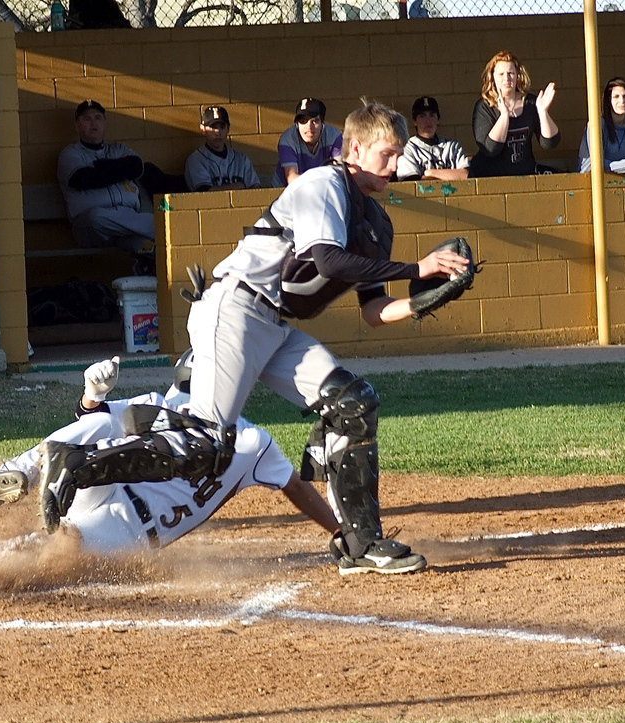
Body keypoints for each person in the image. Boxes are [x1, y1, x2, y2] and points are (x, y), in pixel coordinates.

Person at [34, 102, 471, 575]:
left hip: (273, 324)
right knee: (209, 446)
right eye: (387, 154)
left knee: (353, 402)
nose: (395, 165)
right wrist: (417, 268)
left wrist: (420, 302)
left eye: (400, 154)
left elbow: (372, 311)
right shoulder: (323, 184)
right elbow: (327, 260)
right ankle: (75, 463)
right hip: (236, 306)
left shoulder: (375, 222)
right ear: (355, 149)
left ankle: (360, 544)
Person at [0, 354, 339, 563]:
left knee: (41, 553)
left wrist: (92, 402)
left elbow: (293, 484)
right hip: (114, 502)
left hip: (122, 526)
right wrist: (92, 395)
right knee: (108, 421)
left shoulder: (251, 442)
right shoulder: (174, 410)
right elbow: (298, 487)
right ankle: (28, 470)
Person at [56, 99, 156, 252]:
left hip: (127, 217)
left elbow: (136, 167)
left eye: (98, 117)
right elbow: (84, 179)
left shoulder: (118, 148)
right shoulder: (71, 153)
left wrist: (102, 168)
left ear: (104, 122)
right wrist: (119, 169)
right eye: (87, 119)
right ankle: (150, 228)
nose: (93, 123)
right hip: (92, 226)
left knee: (148, 244)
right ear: (77, 125)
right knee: (97, 217)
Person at [468, 50, 560, 178]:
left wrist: (543, 113)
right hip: (489, 177)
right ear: (492, 77)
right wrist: (504, 116)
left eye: (511, 73)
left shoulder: (531, 103)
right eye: (501, 74)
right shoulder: (484, 106)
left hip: (524, 176)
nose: (506, 78)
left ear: (518, 75)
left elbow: (550, 143)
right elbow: (490, 149)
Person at [184, 105, 262, 192]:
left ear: (228, 128)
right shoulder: (196, 160)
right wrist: (236, 187)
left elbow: (256, 189)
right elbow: (204, 192)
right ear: (203, 129)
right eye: (213, 127)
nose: (218, 132)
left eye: (222, 127)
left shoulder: (242, 160)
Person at [395, 96, 469, 182]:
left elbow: (465, 175)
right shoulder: (407, 148)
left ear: (438, 120)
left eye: (432, 115)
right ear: (414, 121)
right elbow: (411, 182)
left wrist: (430, 173)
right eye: (422, 116)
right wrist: (451, 175)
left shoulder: (452, 146)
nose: (428, 120)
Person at [273, 97, 343, 187]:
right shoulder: (287, 140)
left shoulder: (335, 136)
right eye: (303, 121)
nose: (309, 127)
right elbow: (292, 180)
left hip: (323, 189)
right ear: (297, 124)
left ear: (323, 123)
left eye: (314, 121)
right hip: (285, 191)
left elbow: (341, 175)